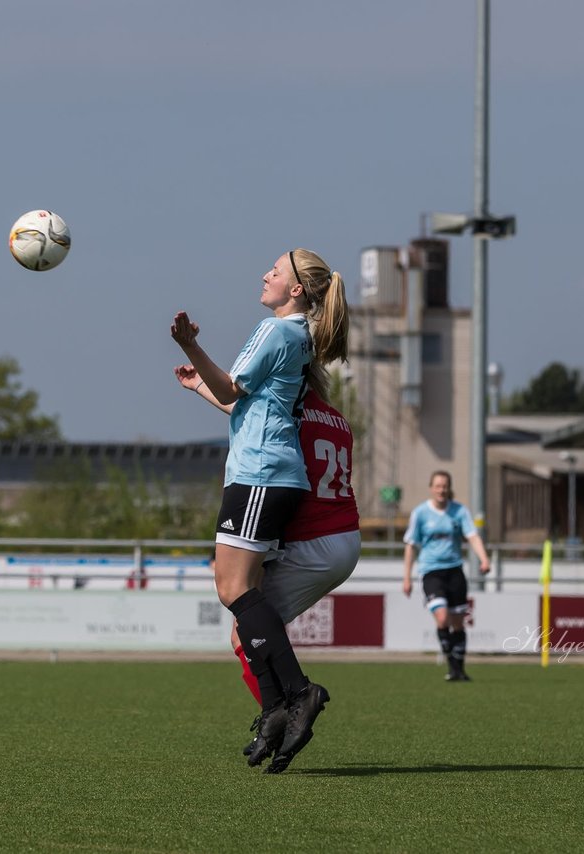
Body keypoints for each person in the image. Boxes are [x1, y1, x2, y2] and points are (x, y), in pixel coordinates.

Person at [170, 248, 349, 774]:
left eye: (275, 270)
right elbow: (242, 402)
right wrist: (199, 383)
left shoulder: (277, 331)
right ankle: (275, 709)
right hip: (269, 473)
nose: (265, 275)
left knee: (235, 591)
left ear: (296, 290)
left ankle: (297, 693)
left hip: (260, 476)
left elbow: (233, 386)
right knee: (238, 594)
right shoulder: (294, 337)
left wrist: (191, 344)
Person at [177, 370, 360, 764]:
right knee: (247, 628)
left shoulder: (288, 410)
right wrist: (199, 387)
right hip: (346, 536)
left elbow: (244, 409)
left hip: (314, 541)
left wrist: (201, 387)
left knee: (243, 631)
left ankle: (282, 709)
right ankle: (277, 715)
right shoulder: (337, 419)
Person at [402, 470, 491, 682]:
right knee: (442, 618)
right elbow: (411, 546)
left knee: (459, 623)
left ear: (449, 488)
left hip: (455, 571)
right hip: (431, 572)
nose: (441, 490)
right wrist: (407, 577)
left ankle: (459, 669)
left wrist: (484, 559)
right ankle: (452, 666)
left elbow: (472, 536)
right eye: (438, 486)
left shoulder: (459, 511)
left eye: (445, 486)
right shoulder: (420, 513)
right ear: (431, 488)